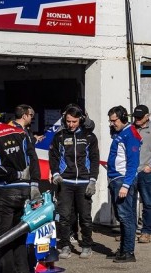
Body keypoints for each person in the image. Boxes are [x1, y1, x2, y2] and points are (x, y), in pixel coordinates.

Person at [0, 100, 40, 273]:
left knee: (3, 241)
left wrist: (15, 175)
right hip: (26, 191)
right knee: (19, 238)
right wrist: (34, 185)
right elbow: (33, 160)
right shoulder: (20, 132)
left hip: (5, 191)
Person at [48, 104, 99, 259]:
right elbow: (54, 157)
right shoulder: (60, 136)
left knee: (85, 217)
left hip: (84, 182)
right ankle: (65, 245)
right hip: (65, 182)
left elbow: (95, 159)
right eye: (68, 121)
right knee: (64, 216)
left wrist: (93, 180)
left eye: (74, 121)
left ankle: (87, 246)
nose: (71, 124)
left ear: (80, 120)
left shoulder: (90, 136)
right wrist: (56, 173)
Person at [107, 105, 142, 263]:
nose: (112, 123)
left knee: (126, 217)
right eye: (110, 121)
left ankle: (128, 252)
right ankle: (123, 249)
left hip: (122, 179)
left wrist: (126, 185)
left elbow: (133, 163)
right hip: (117, 179)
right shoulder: (121, 133)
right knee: (123, 217)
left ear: (122, 118)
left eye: (114, 120)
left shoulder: (130, 134)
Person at [134, 105, 151, 244]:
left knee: (147, 202)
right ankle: (129, 231)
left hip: (145, 172)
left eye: (140, 117)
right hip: (130, 171)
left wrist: (150, 166)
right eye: (135, 117)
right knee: (129, 203)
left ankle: (146, 231)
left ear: (147, 116)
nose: (137, 119)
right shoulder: (131, 129)